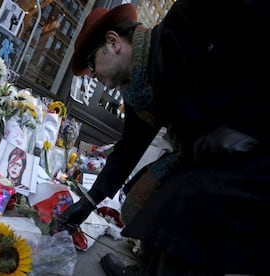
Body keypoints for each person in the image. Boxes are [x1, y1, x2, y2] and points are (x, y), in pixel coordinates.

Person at [58, 1, 269, 275]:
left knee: (186, 216)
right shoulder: (141, 94)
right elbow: (128, 148)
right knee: (160, 205)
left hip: (255, 148)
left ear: (113, 42)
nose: (93, 75)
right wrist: (89, 201)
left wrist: (245, 126)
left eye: (91, 64)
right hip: (208, 162)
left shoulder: (185, 20)